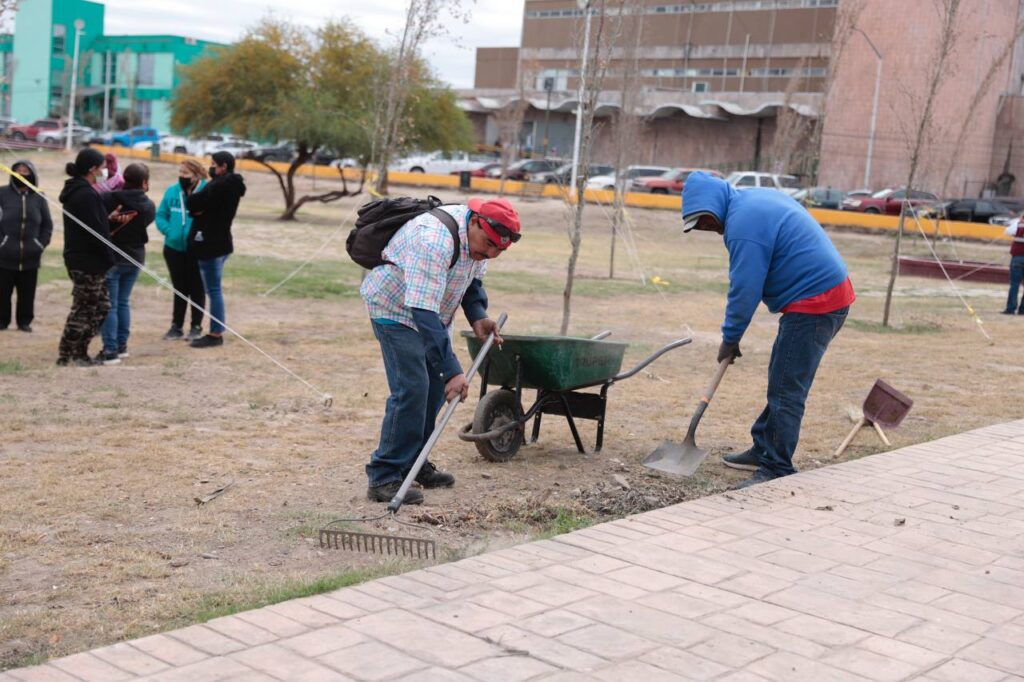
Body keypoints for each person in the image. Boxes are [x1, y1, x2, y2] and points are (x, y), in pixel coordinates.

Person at [681, 172, 855, 489]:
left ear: (713, 204)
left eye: (703, 220)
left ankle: (777, 466)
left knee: (787, 388)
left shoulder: (742, 226)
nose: (704, 228)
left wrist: (730, 338)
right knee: (782, 376)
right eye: (697, 226)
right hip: (823, 295)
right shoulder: (748, 201)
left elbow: (745, 289)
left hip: (817, 300)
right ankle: (763, 446)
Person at [361, 197, 521, 504]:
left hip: (431, 315)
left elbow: (472, 281)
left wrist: (478, 316)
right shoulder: (431, 239)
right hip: (395, 310)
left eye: (498, 250)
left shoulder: (481, 237)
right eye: (488, 244)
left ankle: (413, 463)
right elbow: (421, 310)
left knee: (434, 391)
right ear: (473, 222)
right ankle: (384, 475)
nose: (489, 253)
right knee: (413, 388)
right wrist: (452, 371)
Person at [57, 148, 131, 366]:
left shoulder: (85, 192)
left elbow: (95, 225)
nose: (105, 171)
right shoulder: (84, 194)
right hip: (85, 261)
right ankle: (67, 354)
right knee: (84, 308)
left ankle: (79, 351)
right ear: (92, 169)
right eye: (102, 167)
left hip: (89, 260)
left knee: (102, 306)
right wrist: (109, 257)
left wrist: (108, 220)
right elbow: (94, 233)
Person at [96, 163, 156, 365]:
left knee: (111, 305)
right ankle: (121, 346)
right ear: (144, 183)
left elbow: (99, 219)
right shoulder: (149, 206)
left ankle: (110, 349)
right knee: (122, 302)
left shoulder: (108, 199)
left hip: (113, 257)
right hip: (135, 257)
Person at [185, 151, 246, 348]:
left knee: (213, 290)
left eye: (213, 164)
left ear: (223, 166)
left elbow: (195, 203)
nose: (210, 167)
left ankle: (215, 333)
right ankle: (215, 329)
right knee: (214, 289)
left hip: (212, 244)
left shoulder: (220, 186)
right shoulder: (229, 187)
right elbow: (197, 207)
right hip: (222, 242)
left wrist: (195, 199)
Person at [155, 160, 208, 340]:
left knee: (197, 288)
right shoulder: (172, 191)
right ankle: (176, 326)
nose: (182, 176)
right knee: (179, 288)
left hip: (198, 250)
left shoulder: (207, 191)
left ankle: (196, 326)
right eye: (181, 172)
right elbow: (161, 215)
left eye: (186, 173)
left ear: (197, 176)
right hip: (173, 248)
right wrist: (169, 231)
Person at [0, 160, 53, 332]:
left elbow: (47, 225)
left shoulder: (39, 197)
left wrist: (40, 244)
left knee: (27, 292)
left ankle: (24, 321)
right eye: (18, 171)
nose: (21, 174)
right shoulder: (2, 194)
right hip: (5, 255)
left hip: (31, 255)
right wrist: (2, 243)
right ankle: (2, 321)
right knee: (2, 292)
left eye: (25, 171)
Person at [1003, 217, 1024, 315]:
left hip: (1018, 257)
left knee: (1014, 284)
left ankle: (1011, 308)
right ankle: (1023, 310)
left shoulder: (1019, 222)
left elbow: (1007, 231)